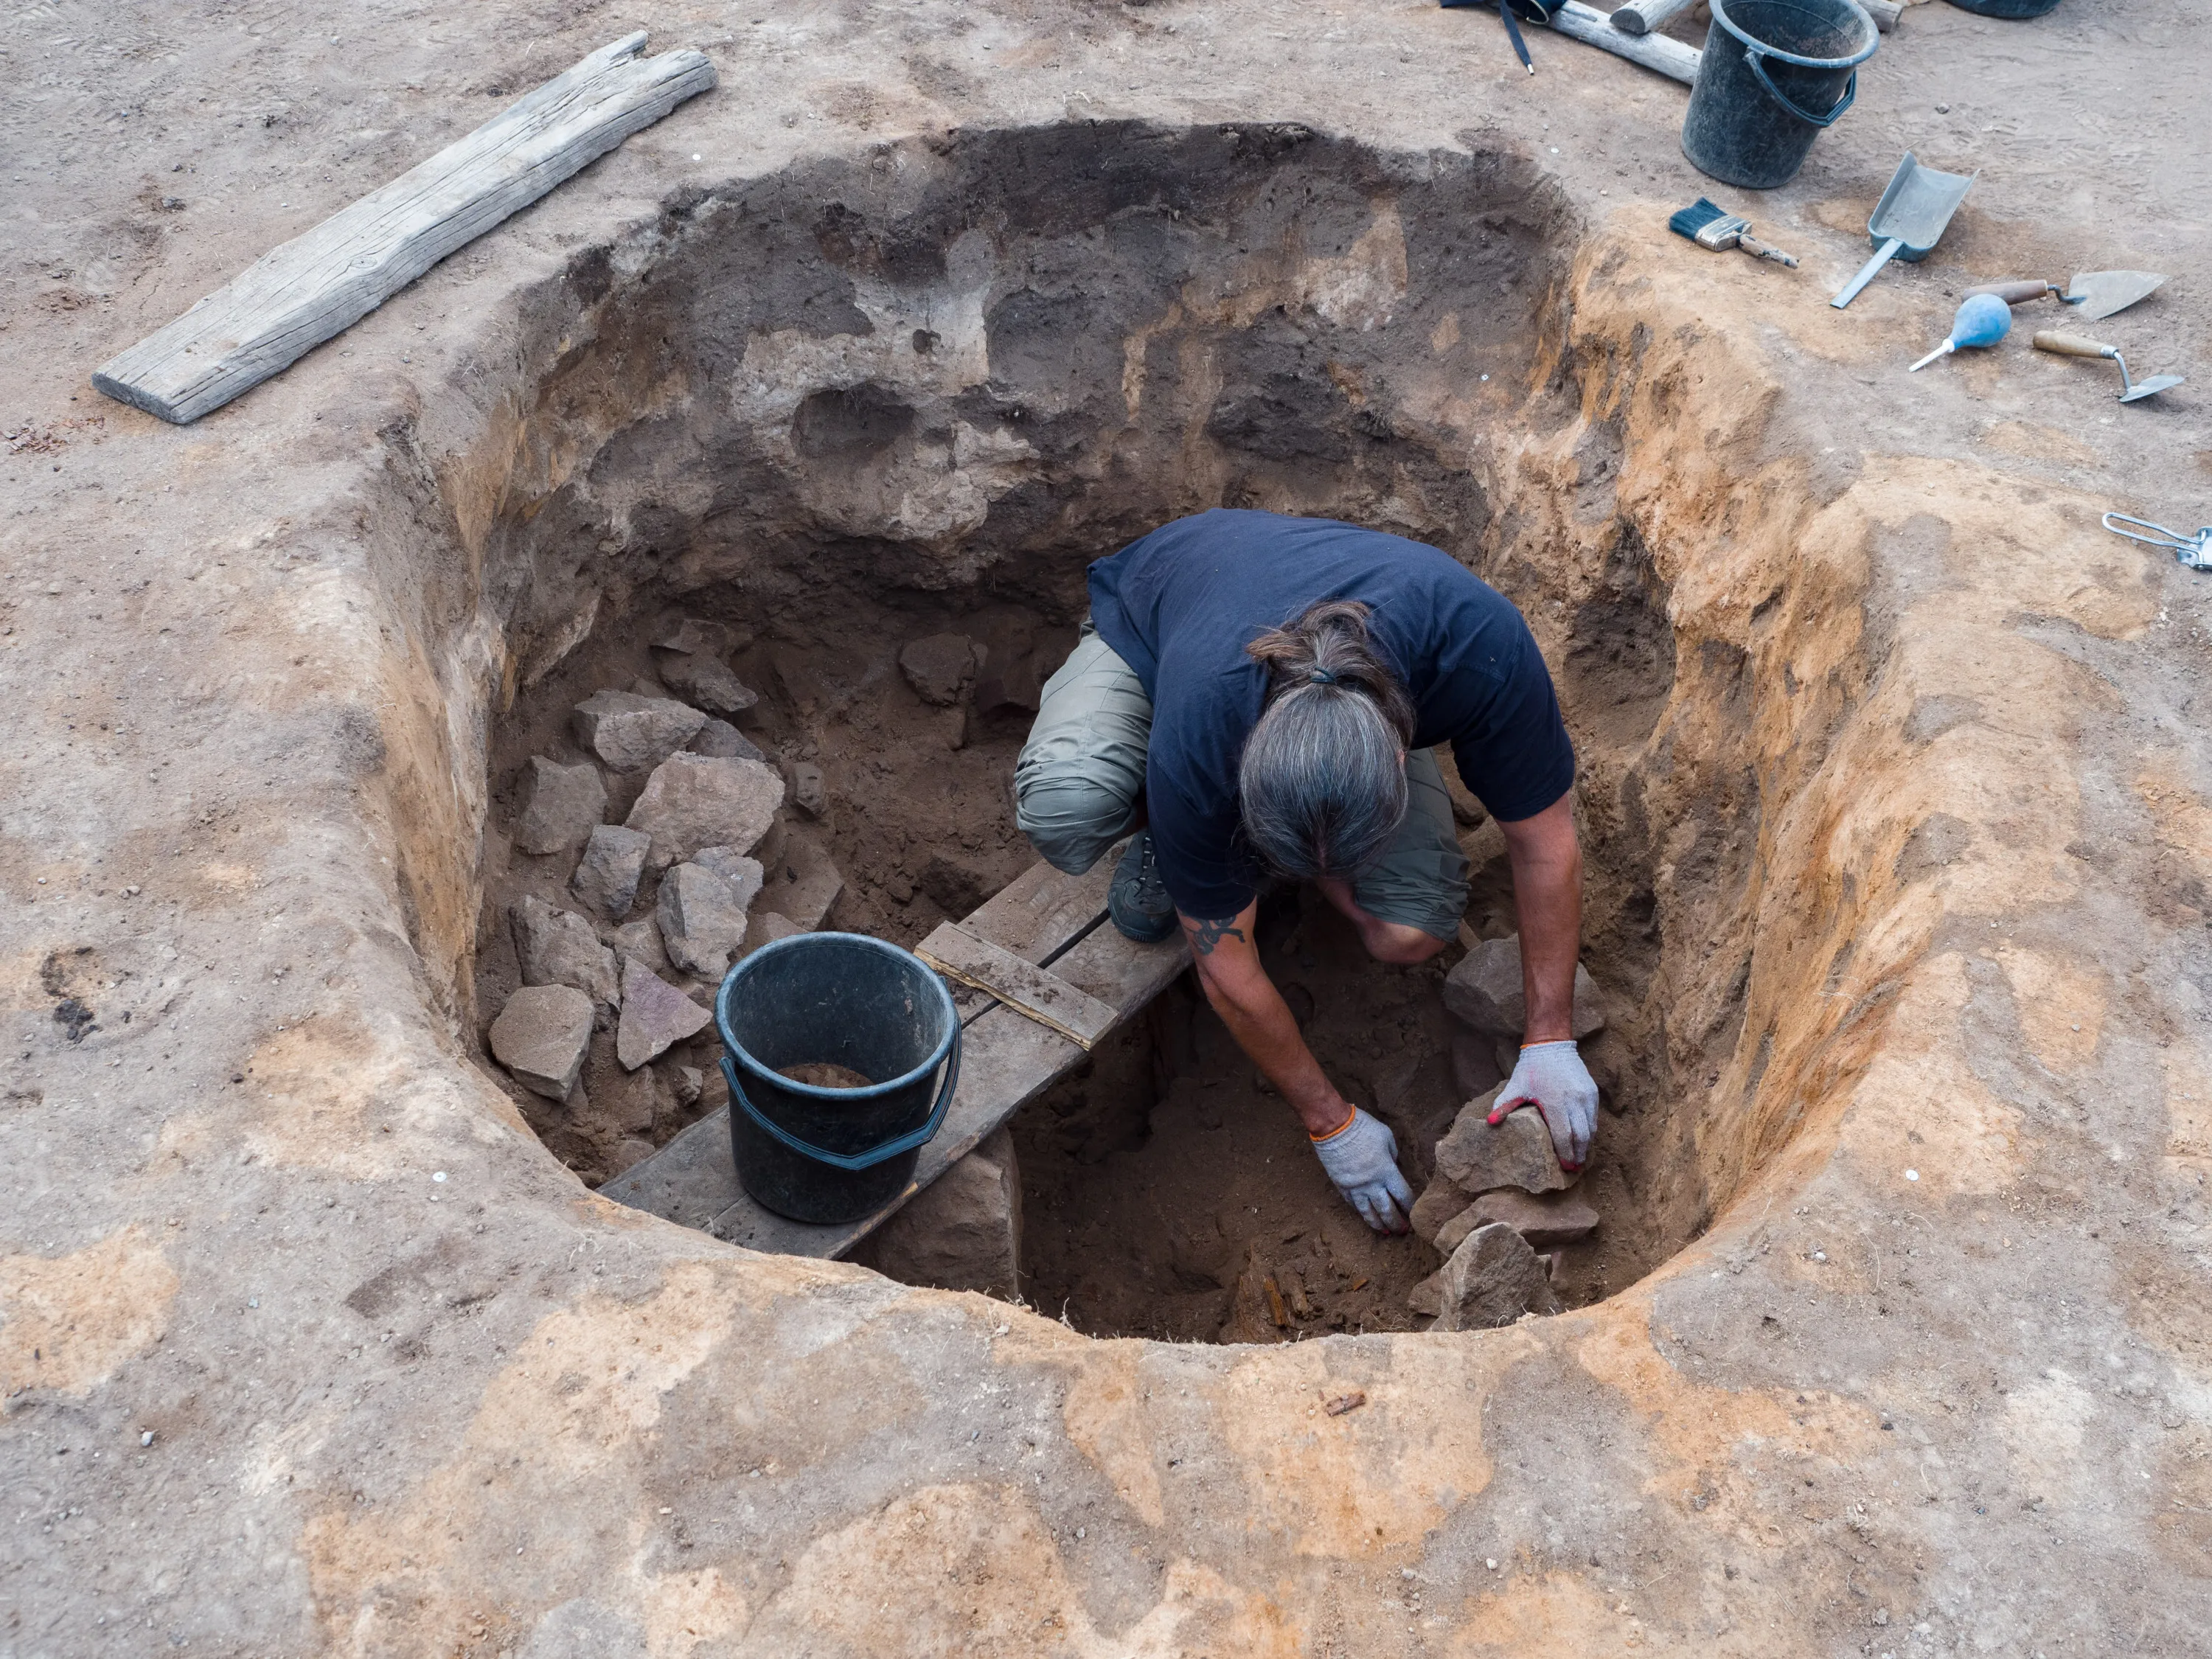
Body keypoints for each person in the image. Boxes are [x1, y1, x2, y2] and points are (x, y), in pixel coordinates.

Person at [1012, 509, 1595, 1235]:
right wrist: (1330, 1122)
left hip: (1349, 679)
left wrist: (1550, 1038)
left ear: (1393, 753)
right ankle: (1162, 823)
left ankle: (1300, 825)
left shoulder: (1481, 649)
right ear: (1245, 770)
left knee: (1406, 932)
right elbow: (1225, 967)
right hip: (1157, 618)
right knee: (1068, 808)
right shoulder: (1201, 734)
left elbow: (1544, 843)